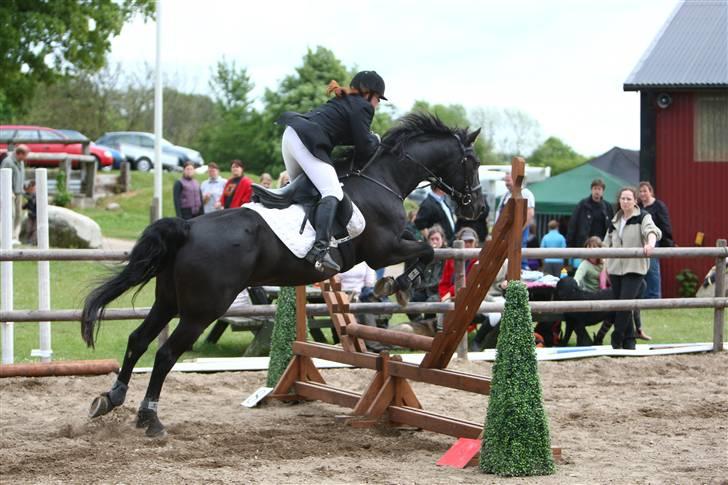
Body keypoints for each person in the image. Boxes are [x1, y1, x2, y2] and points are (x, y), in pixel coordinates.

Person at [275, 71, 386, 272]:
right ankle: (319, 250)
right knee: (332, 191)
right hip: (305, 140)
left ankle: (285, 239)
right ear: (368, 93)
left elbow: (347, 137)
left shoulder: (347, 102)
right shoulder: (362, 106)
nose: (378, 103)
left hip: (291, 135)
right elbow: (364, 146)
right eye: (378, 98)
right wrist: (377, 139)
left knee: (302, 193)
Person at [603, 186, 661, 349]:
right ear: (619, 200)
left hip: (634, 268)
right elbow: (606, 243)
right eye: (623, 198)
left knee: (625, 304)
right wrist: (604, 265)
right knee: (621, 304)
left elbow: (652, 231)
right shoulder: (614, 220)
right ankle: (629, 341)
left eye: (629, 198)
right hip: (615, 269)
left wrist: (650, 244)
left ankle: (616, 338)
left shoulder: (643, 216)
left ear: (635, 201)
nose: (626, 201)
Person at [638, 181, 674, 299]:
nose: (642, 194)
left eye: (645, 191)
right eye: (640, 191)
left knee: (652, 270)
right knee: (641, 270)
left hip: (654, 241)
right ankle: (641, 297)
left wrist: (667, 242)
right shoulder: (638, 206)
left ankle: (654, 297)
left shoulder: (659, 205)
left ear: (651, 192)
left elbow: (665, 224)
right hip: (639, 241)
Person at [408, 225, 447, 323]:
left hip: (438, 291)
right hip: (423, 290)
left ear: (442, 240)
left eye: (437, 239)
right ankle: (421, 324)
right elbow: (414, 272)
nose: (434, 241)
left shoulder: (447, 255)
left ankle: (429, 327)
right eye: (432, 239)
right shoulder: (424, 254)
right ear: (428, 240)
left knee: (431, 304)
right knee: (410, 303)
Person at [495, 172, 535, 268]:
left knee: (519, 256)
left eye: (508, 180)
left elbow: (530, 213)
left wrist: (518, 230)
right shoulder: (505, 195)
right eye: (505, 181)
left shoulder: (526, 193)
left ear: (515, 180)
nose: (506, 183)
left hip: (518, 232)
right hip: (504, 233)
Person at [567, 179, 614, 249]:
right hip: (584, 243)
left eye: (599, 189)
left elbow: (612, 227)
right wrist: (570, 244)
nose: (597, 191)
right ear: (591, 190)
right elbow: (573, 224)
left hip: (602, 244)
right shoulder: (582, 205)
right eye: (595, 189)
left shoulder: (608, 207)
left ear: (603, 191)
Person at [0, 144, 29, 243]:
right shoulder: (7, 162)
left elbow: (21, 175)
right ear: (19, 153)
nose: (26, 158)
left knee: (18, 214)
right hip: (9, 192)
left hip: (19, 192)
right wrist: (8, 191)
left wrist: (25, 187)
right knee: (10, 214)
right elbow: (2, 177)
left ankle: (15, 236)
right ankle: (8, 235)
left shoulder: (21, 162)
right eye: (25, 155)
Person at [21, 180, 37, 244]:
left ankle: (32, 241)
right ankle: (28, 241)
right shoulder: (26, 196)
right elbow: (25, 205)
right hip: (30, 215)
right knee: (29, 229)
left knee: (35, 229)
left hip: (37, 215)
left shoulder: (36, 195)